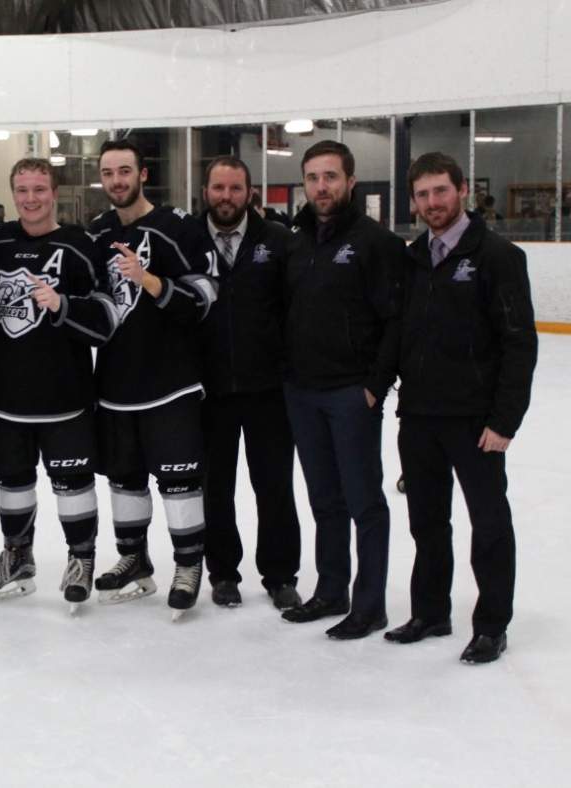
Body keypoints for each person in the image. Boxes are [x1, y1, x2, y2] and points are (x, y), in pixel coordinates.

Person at [386, 152, 537, 664]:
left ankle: (492, 624)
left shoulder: (497, 257)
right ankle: (431, 611)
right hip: (420, 416)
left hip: (476, 421)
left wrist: (504, 420)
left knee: (488, 523)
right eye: (423, 195)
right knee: (427, 522)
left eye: (441, 192)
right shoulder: (412, 258)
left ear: (462, 190)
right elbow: (400, 332)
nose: (433, 203)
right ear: (414, 201)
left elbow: (520, 344)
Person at [0, 158, 117, 612]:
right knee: (11, 482)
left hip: (65, 398)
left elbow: (106, 322)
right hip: (7, 397)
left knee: (72, 483)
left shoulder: (79, 246)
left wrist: (62, 305)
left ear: (54, 191)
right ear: (13, 193)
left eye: (39, 189)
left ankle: (81, 558)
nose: (30, 199)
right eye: (22, 190)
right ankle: (17, 558)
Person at [87, 138, 218, 620]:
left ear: (143, 174)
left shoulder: (177, 226)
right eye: (108, 172)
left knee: (179, 481)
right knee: (124, 480)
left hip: (171, 384)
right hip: (116, 384)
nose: (116, 181)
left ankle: (188, 564)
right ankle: (134, 557)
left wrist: (151, 281)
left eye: (125, 171)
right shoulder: (97, 232)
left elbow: (205, 297)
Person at [281, 140, 405, 639]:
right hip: (302, 392)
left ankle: (370, 603)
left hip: (351, 394)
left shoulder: (376, 243)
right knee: (324, 500)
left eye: (331, 176)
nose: (321, 186)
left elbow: (395, 323)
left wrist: (375, 387)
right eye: (312, 178)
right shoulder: (296, 239)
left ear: (350, 181)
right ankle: (331, 590)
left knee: (363, 502)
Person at [193, 156, 302, 611]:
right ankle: (223, 572)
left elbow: (296, 310)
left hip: (267, 390)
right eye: (218, 188)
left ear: (250, 192)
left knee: (273, 484)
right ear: (205, 191)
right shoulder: (187, 240)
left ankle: (280, 575)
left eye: (235, 188)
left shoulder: (277, 240)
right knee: (215, 486)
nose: (226, 197)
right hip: (208, 390)